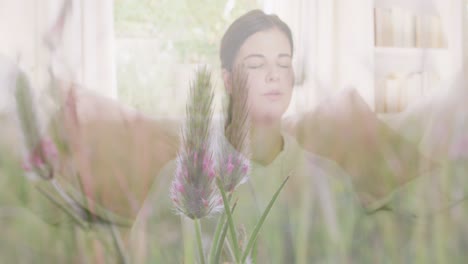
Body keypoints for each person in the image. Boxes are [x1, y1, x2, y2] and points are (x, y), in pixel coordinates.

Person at [131, 10, 359, 263]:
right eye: (256, 64)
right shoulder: (184, 180)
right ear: (228, 81)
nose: (274, 75)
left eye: (284, 63)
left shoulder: (331, 183)